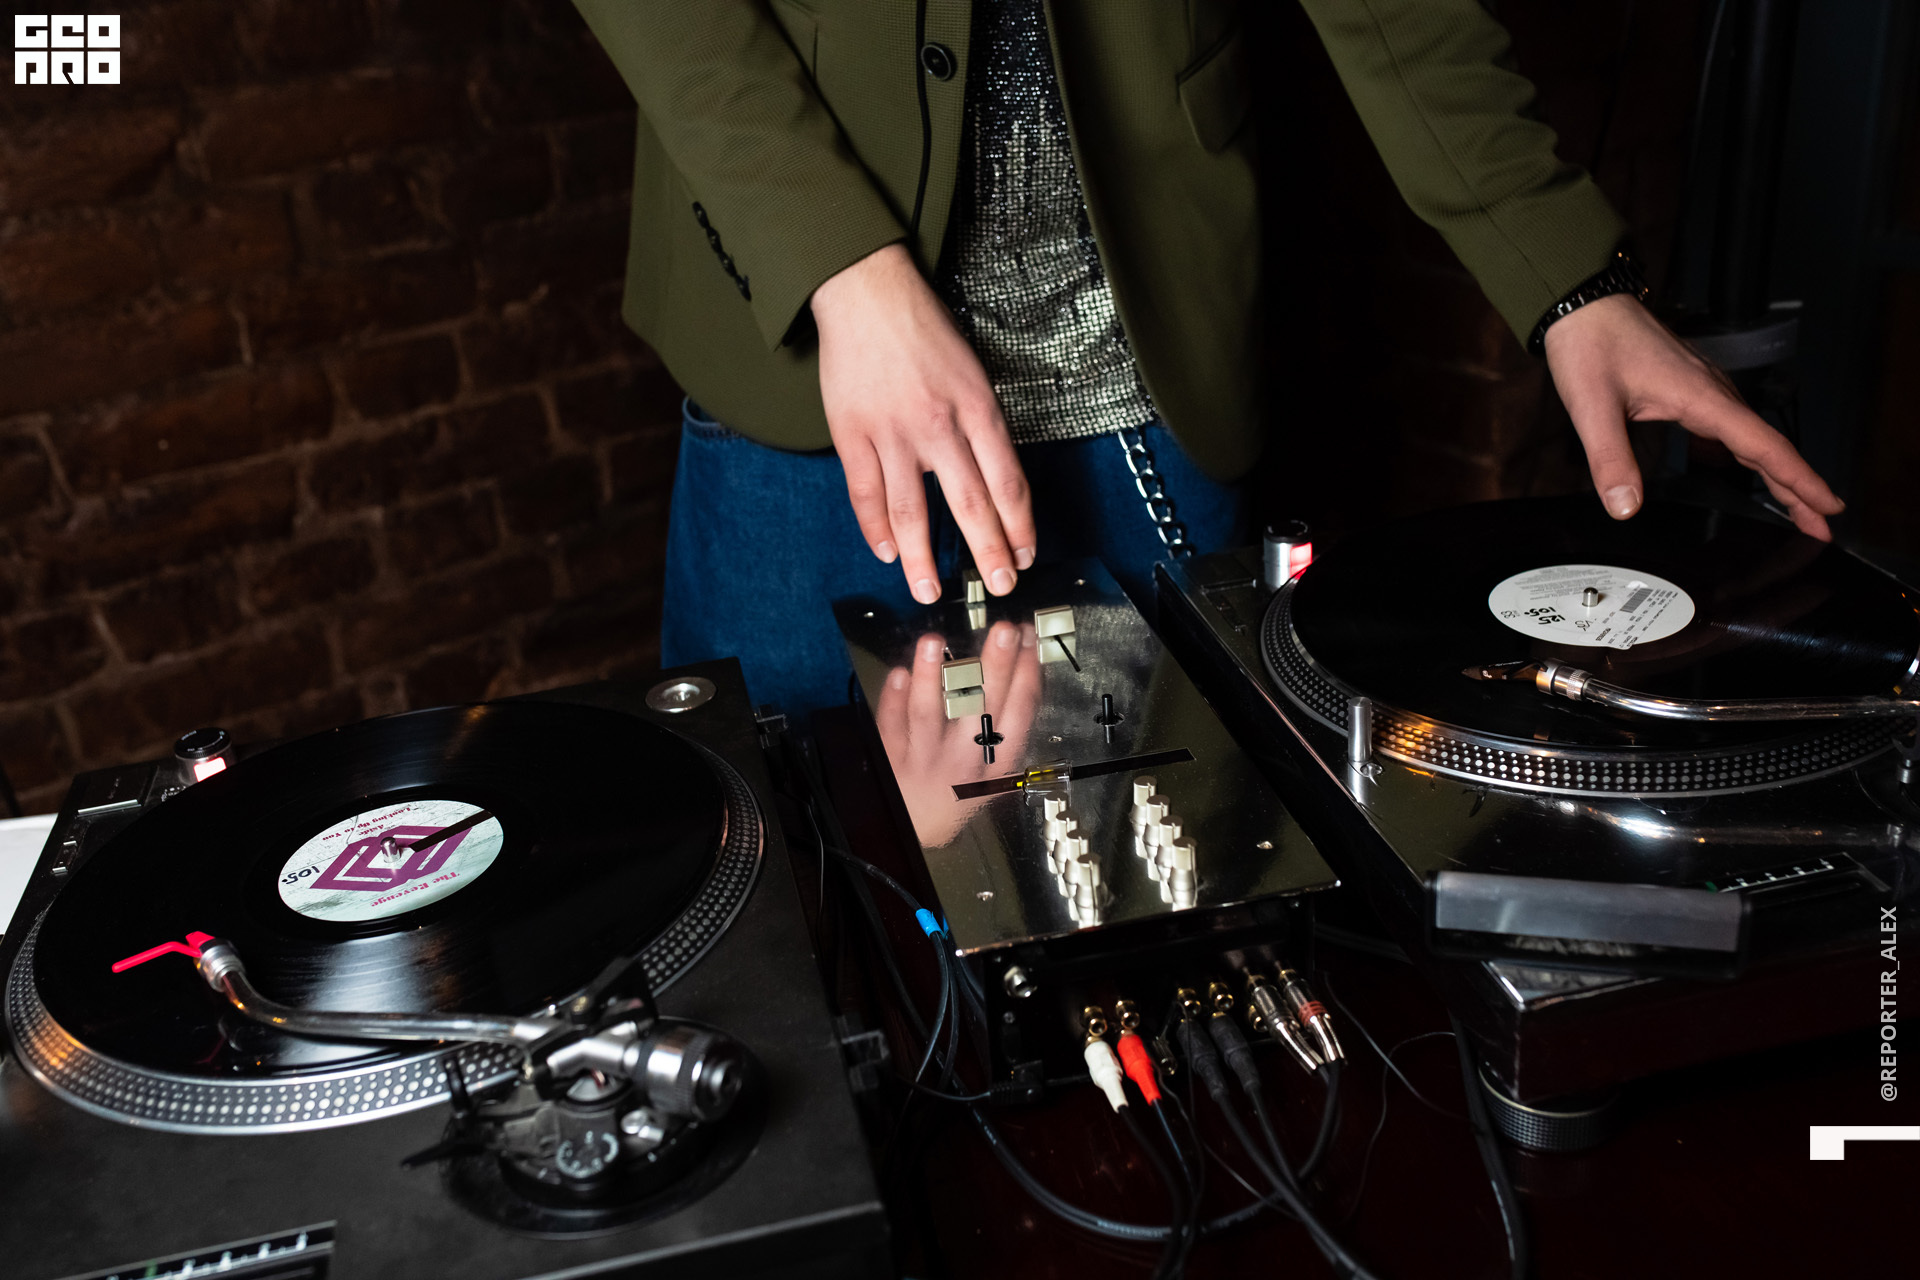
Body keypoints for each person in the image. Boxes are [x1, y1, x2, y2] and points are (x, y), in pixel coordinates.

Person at [572, 0, 1843, 714]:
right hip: (806, 389)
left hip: (1151, 385)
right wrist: (837, 260)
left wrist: (1569, 276)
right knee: (797, 927)